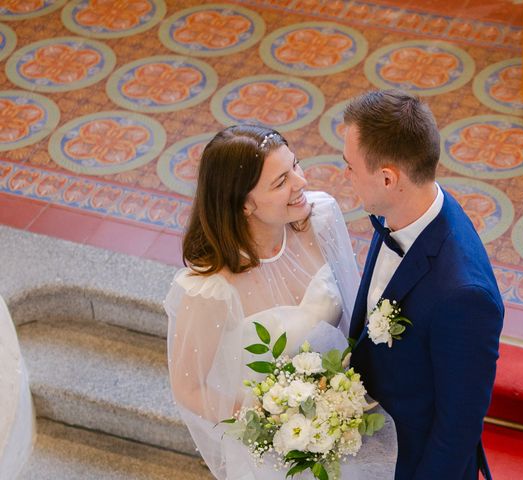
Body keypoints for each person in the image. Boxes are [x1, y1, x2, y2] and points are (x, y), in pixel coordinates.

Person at [164, 124, 396, 480]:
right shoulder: (210, 289)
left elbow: (353, 309)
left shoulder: (320, 219)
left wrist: (343, 402)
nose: (301, 183)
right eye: (280, 182)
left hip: (346, 419)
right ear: (244, 203)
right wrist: (268, 420)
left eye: (296, 166)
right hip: (276, 452)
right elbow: (188, 387)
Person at [343, 90, 504, 480]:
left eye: (350, 167)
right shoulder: (401, 211)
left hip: (415, 463)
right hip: (374, 438)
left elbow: (458, 428)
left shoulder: (464, 296)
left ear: (387, 178)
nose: (345, 176)